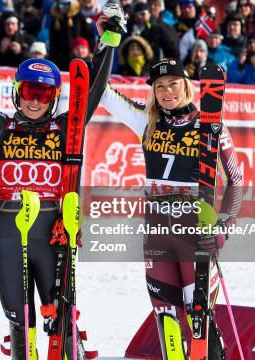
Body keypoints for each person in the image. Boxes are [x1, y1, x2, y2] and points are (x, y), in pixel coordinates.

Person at [0, 0, 125, 359]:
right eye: (29, 91)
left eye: (43, 93)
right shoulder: (0, 127)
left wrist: (110, 41)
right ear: (18, 92)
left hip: (53, 235)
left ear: (54, 97)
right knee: (21, 328)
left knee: (64, 326)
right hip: (9, 234)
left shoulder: (66, 128)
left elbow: (94, 88)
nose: (35, 101)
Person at [100, 58, 243, 360]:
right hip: (157, 234)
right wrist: (108, 42)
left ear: (186, 86)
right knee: (167, 323)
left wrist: (224, 228)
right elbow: (102, 93)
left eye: (173, 84)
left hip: (195, 234)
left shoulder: (210, 125)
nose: (167, 92)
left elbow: (236, 180)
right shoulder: (146, 120)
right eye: (160, 86)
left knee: (199, 321)